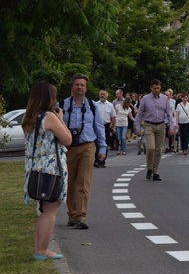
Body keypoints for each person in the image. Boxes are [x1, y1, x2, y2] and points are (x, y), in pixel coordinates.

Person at [22, 82, 72, 260]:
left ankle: (38, 249)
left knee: (44, 210)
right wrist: (61, 119)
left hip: (35, 167)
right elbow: (67, 139)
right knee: (50, 210)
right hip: (50, 169)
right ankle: (42, 251)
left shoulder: (29, 117)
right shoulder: (49, 117)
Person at [62, 73, 107, 229]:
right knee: (70, 183)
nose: (79, 87)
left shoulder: (92, 106)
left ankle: (81, 216)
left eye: (82, 85)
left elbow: (99, 127)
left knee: (84, 182)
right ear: (72, 87)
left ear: (86, 88)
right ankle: (72, 214)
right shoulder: (62, 105)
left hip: (88, 146)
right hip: (68, 148)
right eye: (77, 84)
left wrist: (102, 148)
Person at [134, 79, 176, 181]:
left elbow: (169, 114)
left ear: (160, 87)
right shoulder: (145, 99)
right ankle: (149, 168)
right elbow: (139, 114)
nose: (156, 90)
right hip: (149, 125)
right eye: (154, 88)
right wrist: (138, 127)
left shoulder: (165, 99)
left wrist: (171, 127)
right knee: (151, 148)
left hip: (161, 125)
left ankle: (155, 171)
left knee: (158, 150)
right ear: (151, 88)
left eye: (158, 88)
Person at [94, 89, 117, 167]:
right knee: (96, 143)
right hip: (97, 126)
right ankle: (96, 160)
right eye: (101, 94)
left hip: (106, 125)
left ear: (107, 96)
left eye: (104, 94)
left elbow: (113, 117)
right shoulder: (95, 104)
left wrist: (113, 127)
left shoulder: (110, 105)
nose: (102, 96)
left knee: (105, 143)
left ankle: (102, 160)